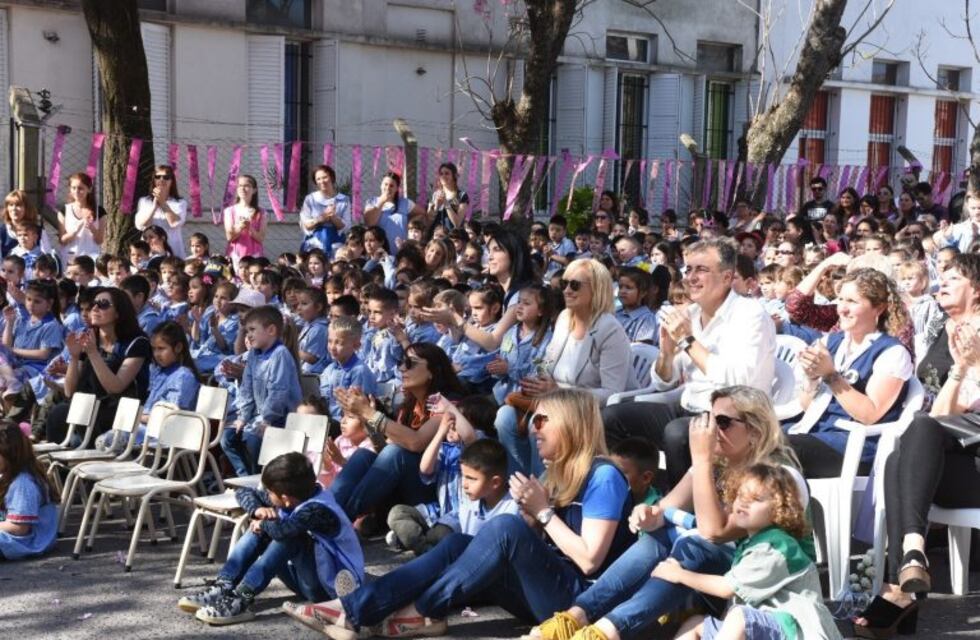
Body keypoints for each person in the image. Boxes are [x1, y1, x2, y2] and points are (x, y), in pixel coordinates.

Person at [300, 389, 632, 640]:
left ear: (571, 426)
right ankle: (358, 608)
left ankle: (413, 613)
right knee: (460, 542)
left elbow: (589, 560)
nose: (533, 428)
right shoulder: (557, 472)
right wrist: (534, 519)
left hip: (579, 603)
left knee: (503, 526)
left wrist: (542, 513)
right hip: (544, 589)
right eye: (534, 419)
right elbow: (534, 542)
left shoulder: (603, 476)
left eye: (543, 420)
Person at [527, 386, 808, 640]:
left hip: (760, 584)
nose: (710, 430)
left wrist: (701, 459)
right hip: (720, 577)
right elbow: (666, 507)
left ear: (756, 431)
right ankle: (577, 616)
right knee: (661, 535)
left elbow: (715, 532)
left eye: (722, 422)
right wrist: (648, 514)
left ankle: (606, 631)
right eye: (709, 419)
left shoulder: (779, 477)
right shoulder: (718, 463)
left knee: (698, 543)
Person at [854, 255, 980, 639]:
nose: (941, 283)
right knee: (909, 443)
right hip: (947, 454)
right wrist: (959, 369)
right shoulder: (948, 332)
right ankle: (911, 556)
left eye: (954, 277)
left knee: (902, 453)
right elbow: (940, 415)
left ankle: (898, 590)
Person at [602, 238, 777, 487]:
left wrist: (687, 340)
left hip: (735, 418)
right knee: (612, 418)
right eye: (689, 269)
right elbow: (663, 383)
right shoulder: (691, 314)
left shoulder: (750, 315)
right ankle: (634, 496)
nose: (691, 277)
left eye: (701, 270)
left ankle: (687, 513)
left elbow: (738, 383)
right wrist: (667, 352)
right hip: (688, 407)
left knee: (678, 433)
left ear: (727, 278)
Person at [177, 452, 364, 626]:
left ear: (285, 498)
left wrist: (262, 523)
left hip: (329, 591)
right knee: (265, 524)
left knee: (285, 536)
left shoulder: (317, 510)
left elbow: (283, 532)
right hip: (304, 578)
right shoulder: (295, 496)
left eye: (269, 492)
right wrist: (257, 511)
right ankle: (224, 586)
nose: (266, 495)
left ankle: (242, 598)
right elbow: (243, 493)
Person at [661, 464, 840, 640]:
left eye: (756, 499)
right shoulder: (752, 543)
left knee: (740, 618)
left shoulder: (776, 547)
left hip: (795, 631)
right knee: (695, 624)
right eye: (740, 495)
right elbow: (737, 601)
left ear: (779, 509)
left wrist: (679, 574)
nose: (744, 503)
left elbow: (727, 588)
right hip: (765, 628)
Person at [497, 258, 632, 475]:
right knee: (504, 417)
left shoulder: (610, 330)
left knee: (539, 424)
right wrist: (538, 376)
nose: (567, 290)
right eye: (564, 284)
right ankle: (520, 482)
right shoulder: (564, 318)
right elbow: (549, 360)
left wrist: (560, 392)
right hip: (552, 401)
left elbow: (612, 392)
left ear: (597, 289)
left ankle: (544, 488)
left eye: (575, 285)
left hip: (587, 410)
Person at [790, 268, 913, 477]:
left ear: (879, 308)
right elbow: (806, 404)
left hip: (853, 445)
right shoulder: (832, 341)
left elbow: (869, 414)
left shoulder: (893, 352)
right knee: (750, 438)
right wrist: (811, 376)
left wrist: (830, 375)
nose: (842, 309)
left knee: (774, 449)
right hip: (815, 431)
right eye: (840, 299)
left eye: (852, 301)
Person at [330, 343, 468, 521]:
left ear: (432, 371)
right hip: (404, 485)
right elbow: (383, 452)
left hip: (435, 491)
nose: (402, 368)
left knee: (396, 453)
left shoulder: (448, 403)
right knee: (364, 455)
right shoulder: (409, 405)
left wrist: (370, 413)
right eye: (401, 362)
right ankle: (325, 509)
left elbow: (416, 442)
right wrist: (367, 421)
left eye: (410, 363)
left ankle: (336, 520)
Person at [44, 287, 151, 444]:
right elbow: (69, 391)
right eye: (94, 303)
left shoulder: (137, 342)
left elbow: (116, 387)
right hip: (87, 408)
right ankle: (63, 465)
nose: (94, 308)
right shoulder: (89, 337)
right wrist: (74, 357)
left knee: (66, 412)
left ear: (118, 312)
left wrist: (93, 353)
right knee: (59, 412)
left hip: (120, 411)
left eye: (103, 304)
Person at [385, 398, 481, 555]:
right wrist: (440, 432)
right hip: (440, 511)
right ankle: (424, 545)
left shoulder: (477, 447)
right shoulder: (444, 449)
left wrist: (451, 408)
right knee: (397, 513)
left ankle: (418, 543)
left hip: (462, 517)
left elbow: (469, 436)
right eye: (449, 422)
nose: (451, 426)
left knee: (441, 533)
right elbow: (425, 468)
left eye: (455, 423)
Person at [220, 306, 302, 477]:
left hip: (281, 417)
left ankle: (263, 480)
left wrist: (267, 419)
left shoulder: (280, 354)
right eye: (246, 330)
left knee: (253, 439)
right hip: (259, 417)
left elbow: (278, 393)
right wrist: (243, 417)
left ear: (271, 330)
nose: (248, 335)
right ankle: (246, 478)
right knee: (228, 437)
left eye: (252, 330)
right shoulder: (253, 355)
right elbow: (246, 388)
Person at [0, 421, 59, 559]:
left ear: (9, 452)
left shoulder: (23, 484)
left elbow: (19, 529)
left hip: (26, 542)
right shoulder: (10, 472)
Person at [318, 317, 378, 422]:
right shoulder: (329, 369)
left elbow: (359, 410)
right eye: (330, 341)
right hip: (329, 420)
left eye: (339, 343)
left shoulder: (359, 371)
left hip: (350, 423)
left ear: (356, 345)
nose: (332, 347)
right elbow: (324, 399)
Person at [364, 172, 426, 253]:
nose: (388, 188)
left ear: (397, 189)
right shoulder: (372, 202)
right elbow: (370, 222)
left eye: (391, 186)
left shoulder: (404, 203)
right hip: (380, 251)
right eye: (385, 184)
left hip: (401, 250)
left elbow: (422, 213)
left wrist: (411, 223)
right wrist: (381, 201)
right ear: (381, 185)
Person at [135, 165, 188, 258]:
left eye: (166, 177)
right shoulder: (144, 201)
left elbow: (174, 223)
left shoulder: (180, 203)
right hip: (148, 249)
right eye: (158, 177)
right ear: (153, 180)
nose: (162, 179)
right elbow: (141, 225)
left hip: (172, 248)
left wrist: (163, 202)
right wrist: (154, 207)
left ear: (172, 181)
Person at [300, 165, 351, 258]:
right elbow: (306, 224)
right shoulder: (310, 199)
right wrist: (321, 218)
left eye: (325, 177)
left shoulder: (344, 200)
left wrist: (333, 217)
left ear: (332, 177)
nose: (322, 181)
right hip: (314, 244)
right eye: (318, 179)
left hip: (336, 244)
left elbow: (346, 227)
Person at [56, 173, 105, 262]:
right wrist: (75, 231)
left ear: (89, 189)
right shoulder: (65, 210)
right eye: (73, 188)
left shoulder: (99, 211)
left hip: (91, 258)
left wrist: (92, 228)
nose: (76, 191)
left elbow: (99, 240)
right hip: (70, 258)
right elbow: (62, 241)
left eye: (81, 188)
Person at [223, 175, 267, 270]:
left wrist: (250, 228)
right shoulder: (229, 211)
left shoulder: (261, 212)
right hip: (235, 254)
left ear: (254, 190)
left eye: (247, 185)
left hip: (255, 254)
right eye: (239, 185)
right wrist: (240, 227)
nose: (242, 188)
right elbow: (229, 237)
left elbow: (260, 238)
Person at [426, 162, 469, 233]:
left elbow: (457, 224)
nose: (443, 176)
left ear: (454, 176)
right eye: (441, 174)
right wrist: (436, 207)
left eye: (447, 173)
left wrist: (446, 203)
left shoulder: (462, 195)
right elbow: (428, 222)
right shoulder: (434, 195)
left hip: (453, 236)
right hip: (436, 236)